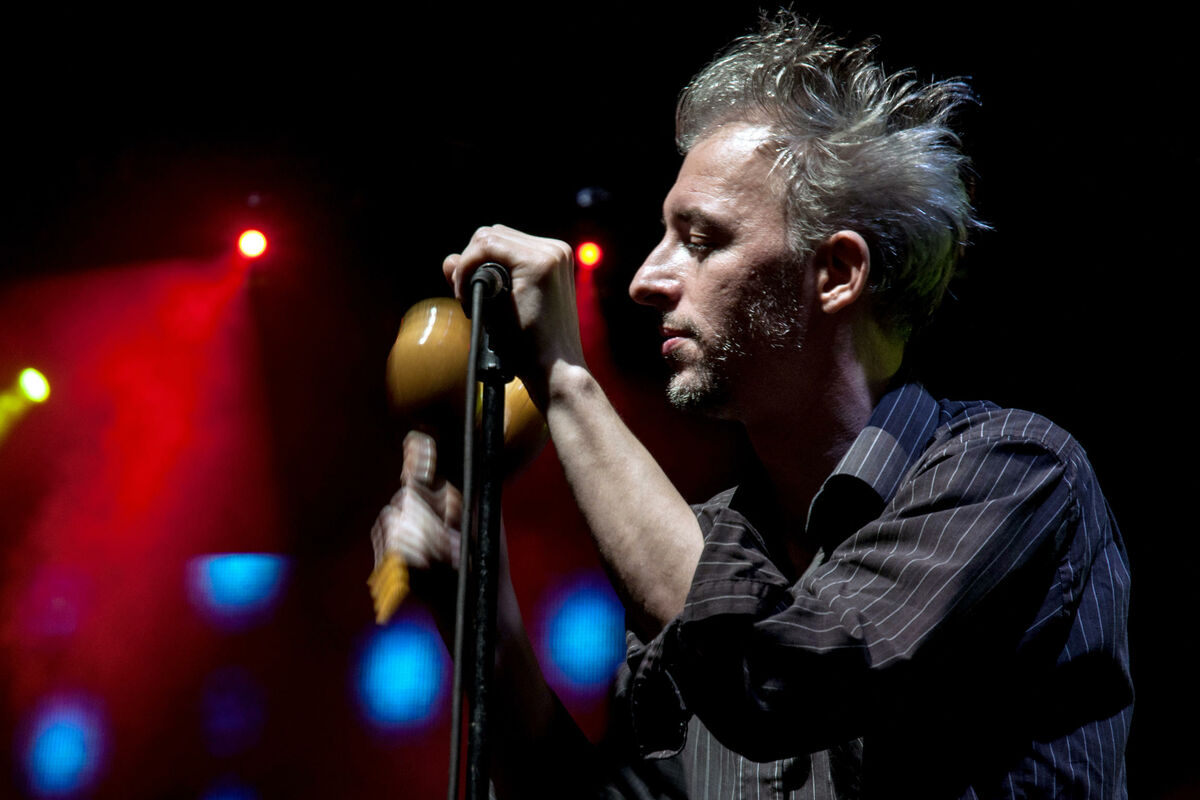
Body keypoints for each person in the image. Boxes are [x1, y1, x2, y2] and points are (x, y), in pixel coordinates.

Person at [370, 12, 1132, 798]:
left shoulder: (1016, 474)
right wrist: (479, 617)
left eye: (701, 240)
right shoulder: (694, 543)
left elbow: (777, 683)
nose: (646, 280)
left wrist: (565, 378)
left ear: (836, 273)